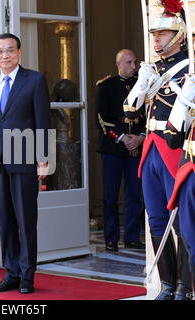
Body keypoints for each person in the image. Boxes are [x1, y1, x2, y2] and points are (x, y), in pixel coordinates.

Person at [123, 3, 191, 300]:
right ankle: (166, 285)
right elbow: (131, 109)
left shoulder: (189, 68)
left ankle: (185, 287)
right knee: (156, 219)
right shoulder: (152, 69)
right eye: (155, 34)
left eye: (163, 33)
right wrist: (141, 82)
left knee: (183, 220)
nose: (156, 39)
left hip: (175, 148)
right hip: (151, 146)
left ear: (179, 36)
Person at [0, 33, 50, 294]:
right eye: (0, 51)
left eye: (10, 50)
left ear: (20, 52)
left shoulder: (34, 80)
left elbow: (43, 121)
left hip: (25, 162)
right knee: (5, 220)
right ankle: (10, 273)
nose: (5, 55)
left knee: (25, 220)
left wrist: (43, 159)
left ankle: (27, 275)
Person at [95, 49, 145, 252]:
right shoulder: (105, 86)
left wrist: (140, 139)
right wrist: (124, 139)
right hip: (114, 147)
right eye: (130, 62)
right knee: (111, 196)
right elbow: (101, 120)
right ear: (119, 64)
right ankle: (111, 238)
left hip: (136, 147)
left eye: (135, 62)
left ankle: (132, 237)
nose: (134, 66)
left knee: (134, 194)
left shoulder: (142, 86)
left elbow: (147, 114)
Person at [164, 31, 195, 300]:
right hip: (190, 162)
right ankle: (181, 288)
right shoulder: (190, 79)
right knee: (187, 227)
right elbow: (174, 135)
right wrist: (184, 101)